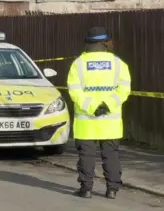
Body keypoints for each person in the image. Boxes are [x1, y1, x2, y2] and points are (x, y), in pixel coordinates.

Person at [67, 27, 131, 199]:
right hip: (110, 121)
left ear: (88, 43)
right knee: (110, 155)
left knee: (86, 156)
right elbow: (124, 90)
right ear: (105, 43)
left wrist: (92, 107)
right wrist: (107, 105)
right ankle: (112, 190)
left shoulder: (78, 64)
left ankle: (86, 189)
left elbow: (74, 91)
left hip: (86, 121)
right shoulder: (119, 64)